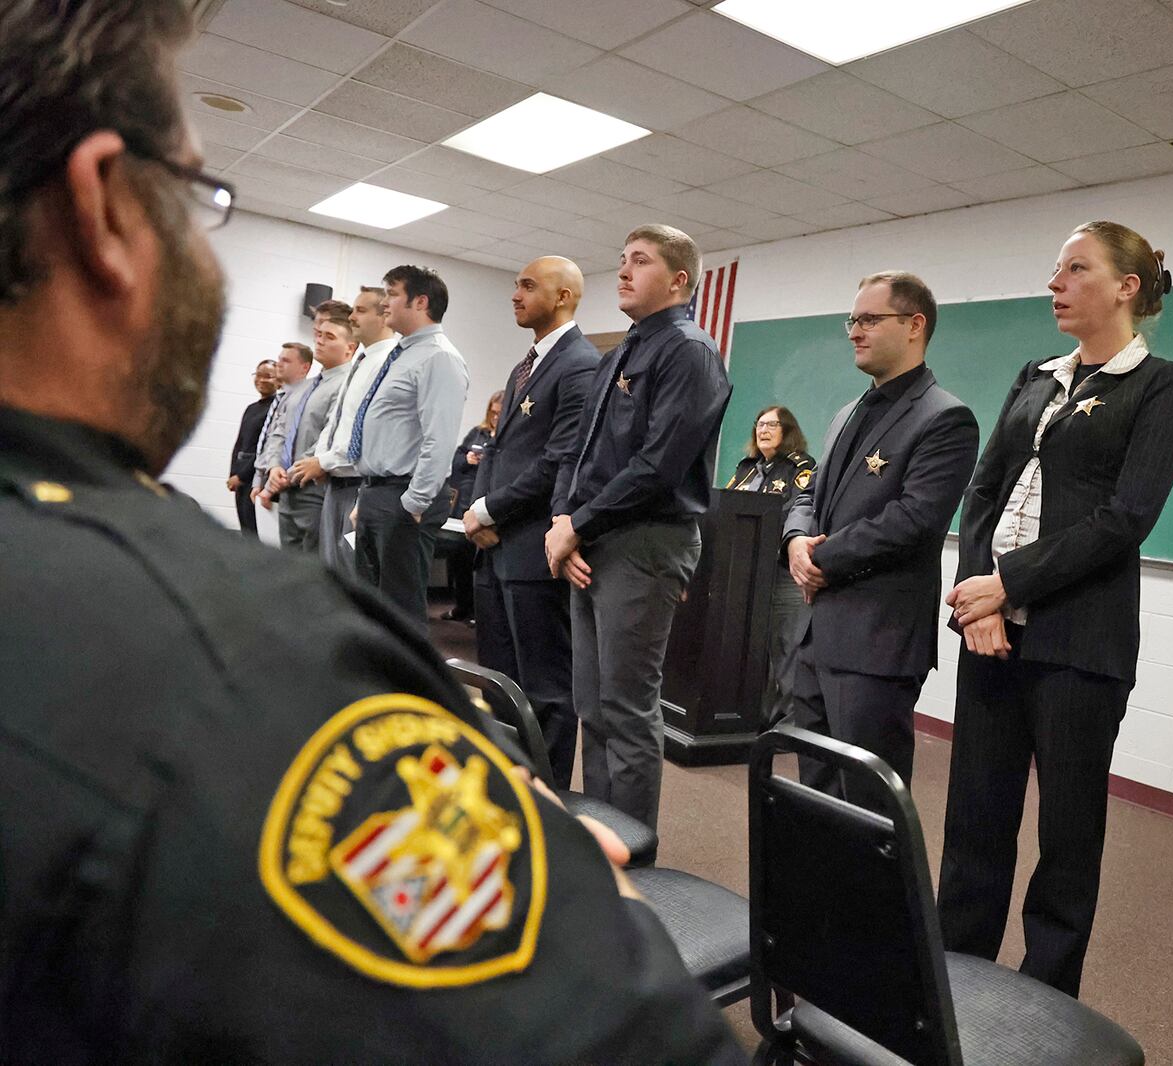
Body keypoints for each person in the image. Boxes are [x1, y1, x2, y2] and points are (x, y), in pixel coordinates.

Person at [0, 3, 740, 1061]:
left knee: (596, 704)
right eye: (200, 195)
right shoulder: (260, 661)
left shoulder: (643, 357)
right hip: (557, 536)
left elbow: (625, 457)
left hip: (581, 536)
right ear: (103, 213)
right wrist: (549, 881)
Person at [935, 222, 1173, 998]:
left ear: (1127, 287)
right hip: (991, 632)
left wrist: (1008, 585)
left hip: (1082, 642)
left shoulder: (1162, 383)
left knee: (1068, 836)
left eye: (1076, 269)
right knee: (975, 820)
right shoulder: (1035, 374)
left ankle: (1046, 997)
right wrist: (980, 602)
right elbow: (984, 492)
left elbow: (1127, 516)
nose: (1055, 283)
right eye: (1055, 269)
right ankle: (955, 975)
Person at [547, 225, 732, 830]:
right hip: (596, 537)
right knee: (591, 707)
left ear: (679, 281)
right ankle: (602, 833)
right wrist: (564, 521)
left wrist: (579, 525)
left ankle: (632, 855)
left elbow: (658, 465)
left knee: (625, 710)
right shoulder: (620, 351)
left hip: (645, 541)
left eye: (640, 262)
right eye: (621, 260)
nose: (623, 272)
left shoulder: (689, 351)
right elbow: (578, 450)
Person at [783, 272, 979, 798]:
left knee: (868, 807)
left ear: (915, 325)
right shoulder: (848, 412)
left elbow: (914, 520)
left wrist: (821, 559)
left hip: (877, 642)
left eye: (869, 320)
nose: (854, 331)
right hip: (817, 634)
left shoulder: (946, 418)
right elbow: (809, 494)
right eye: (853, 320)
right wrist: (796, 542)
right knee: (812, 794)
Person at [467, 256, 599, 791]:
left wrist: (489, 510)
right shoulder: (528, 363)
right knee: (501, 686)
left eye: (527, 286)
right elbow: (498, 450)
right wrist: (476, 514)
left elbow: (557, 461)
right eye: (515, 284)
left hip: (531, 548)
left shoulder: (580, 364)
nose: (515, 295)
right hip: (495, 548)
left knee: (545, 692)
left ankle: (547, 802)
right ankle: (505, 788)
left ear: (564, 296)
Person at [348, 264, 469, 624]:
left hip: (403, 498)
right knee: (370, 609)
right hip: (376, 494)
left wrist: (414, 503)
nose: (384, 303)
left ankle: (406, 682)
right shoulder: (400, 355)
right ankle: (377, 680)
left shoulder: (440, 357)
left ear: (420, 301)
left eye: (392, 294)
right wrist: (365, 497)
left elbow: (440, 439)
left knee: (400, 614)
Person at [293, 285, 398, 577]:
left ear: (384, 316)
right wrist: (319, 458)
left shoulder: (388, 362)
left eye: (361, 310)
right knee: (333, 574)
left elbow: (366, 429)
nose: (352, 317)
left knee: (354, 577)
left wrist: (323, 461)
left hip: (358, 485)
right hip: (335, 483)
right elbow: (338, 423)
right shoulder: (362, 361)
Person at [725, 405, 816, 725]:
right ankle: (759, 719)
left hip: (781, 571)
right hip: (744, 573)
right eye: (759, 424)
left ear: (787, 430)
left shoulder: (800, 467)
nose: (762, 430)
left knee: (787, 649)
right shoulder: (747, 468)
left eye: (772, 425)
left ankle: (791, 724)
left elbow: (797, 513)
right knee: (754, 651)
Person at [259, 317, 356, 552]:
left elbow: (330, 437)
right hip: (287, 491)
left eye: (329, 337)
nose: (319, 341)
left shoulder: (349, 385)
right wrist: (273, 468)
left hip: (316, 490)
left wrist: (289, 475)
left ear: (350, 348)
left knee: (314, 567)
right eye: (319, 335)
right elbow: (279, 430)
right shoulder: (302, 386)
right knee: (288, 566)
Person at [438, 390, 502, 623]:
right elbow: (454, 462)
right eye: (492, 413)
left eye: (499, 414)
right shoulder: (477, 432)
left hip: (488, 504)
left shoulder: (507, 435)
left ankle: (480, 613)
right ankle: (462, 607)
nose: (495, 418)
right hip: (463, 505)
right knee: (459, 558)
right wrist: (468, 460)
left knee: (482, 562)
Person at [251, 340, 314, 524]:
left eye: (285, 360)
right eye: (279, 359)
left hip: (286, 483)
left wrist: (271, 485)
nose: (279, 364)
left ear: (304, 367)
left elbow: (292, 443)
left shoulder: (305, 398)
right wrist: (259, 479)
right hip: (269, 477)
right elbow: (271, 440)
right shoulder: (282, 397)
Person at [226, 358, 277, 538]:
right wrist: (232, 473)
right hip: (240, 478)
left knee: (256, 532)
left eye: (268, 376)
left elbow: (264, 448)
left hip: (256, 478)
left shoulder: (275, 409)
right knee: (245, 530)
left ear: (278, 380)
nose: (262, 380)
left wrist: (242, 475)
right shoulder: (251, 408)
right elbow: (240, 443)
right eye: (259, 375)